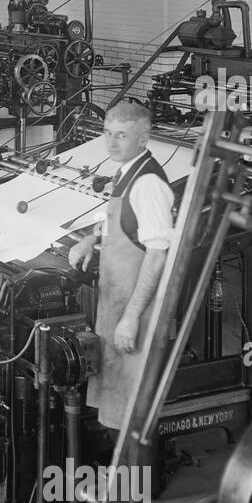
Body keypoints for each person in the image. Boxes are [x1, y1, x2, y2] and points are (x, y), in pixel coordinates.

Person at [67, 100, 177, 434]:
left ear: (143, 139)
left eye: (122, 135)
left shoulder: (148, 185)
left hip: (136, 315)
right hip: (116, 307)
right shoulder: (127, 173)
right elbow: (115, 216)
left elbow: (157, 256)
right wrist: (90, 239)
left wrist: (131, 317)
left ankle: (136, 467)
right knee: (115, 400)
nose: (112, 143)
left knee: (131, 412)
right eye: (107, 133)